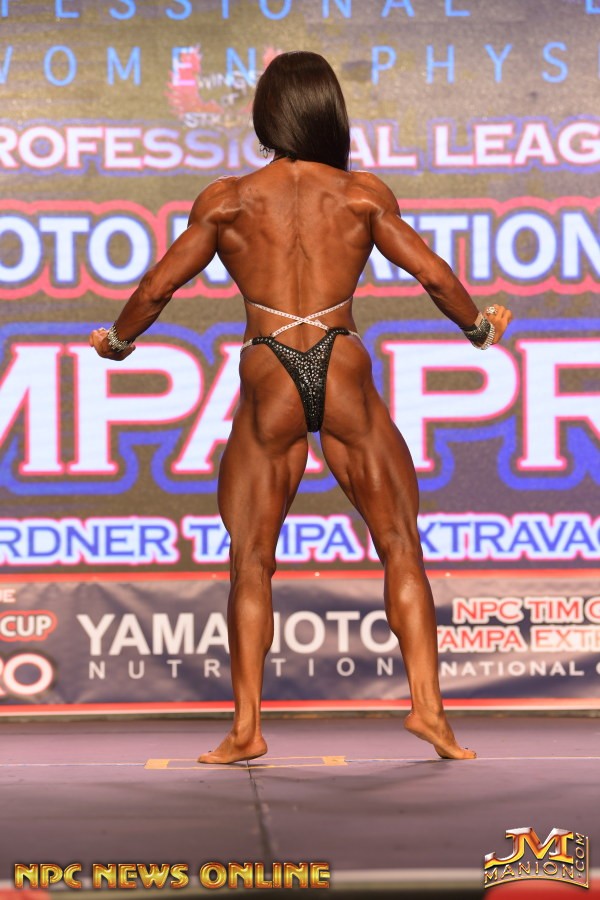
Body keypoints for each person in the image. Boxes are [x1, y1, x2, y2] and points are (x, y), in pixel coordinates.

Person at [90, 50, 512, 764]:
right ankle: (431, 714)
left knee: (252, 560)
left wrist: (118, 343)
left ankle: (246, 728)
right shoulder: (360, 195)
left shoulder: (227, 199)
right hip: (340, 359)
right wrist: (479, 329)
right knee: (400, 544)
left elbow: (158, 286)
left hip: (269, 367)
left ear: (266, 117)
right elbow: (434, 276)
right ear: (329, 115)